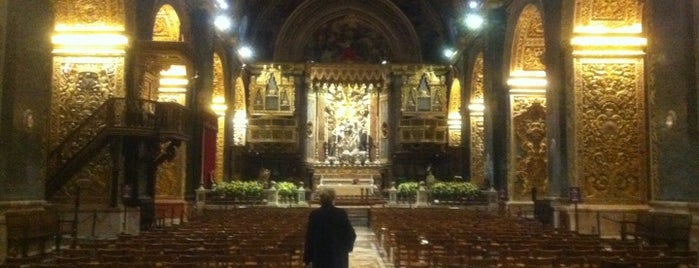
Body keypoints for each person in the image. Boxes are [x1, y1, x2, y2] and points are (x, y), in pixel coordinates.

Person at [304, 188, 356, 268]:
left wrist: (308, 258)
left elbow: (310, 237)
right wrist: (346, 249)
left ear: (320, 199)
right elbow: (351, 234)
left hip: (319, 255)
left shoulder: (315, 214)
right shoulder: (341, 213)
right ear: (333, 199)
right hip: (337, 254)